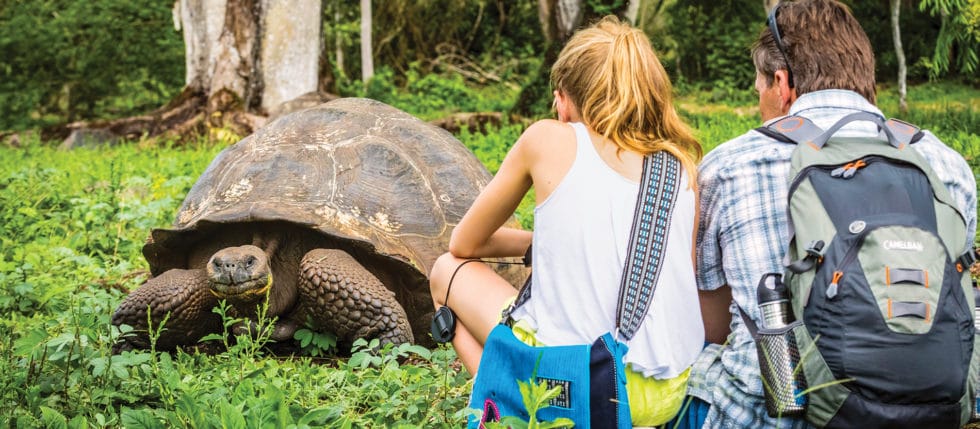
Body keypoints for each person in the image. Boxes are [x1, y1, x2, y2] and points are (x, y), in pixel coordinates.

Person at [674, 1, 980, 428]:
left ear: (782, 83)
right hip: (928, 411)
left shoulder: (729, 166)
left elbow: (711, 324)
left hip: (772, 412)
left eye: (759, 88)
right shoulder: (946, 166)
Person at [428, 16, 706, 427]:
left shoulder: (548, 139)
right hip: (664, 393)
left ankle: (505, 411)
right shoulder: (680, 169)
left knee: (445, 271)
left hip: (578, 383)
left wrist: (533, 242)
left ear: (565, 100)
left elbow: (463, 244)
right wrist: (546, 242)